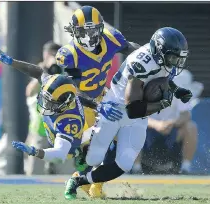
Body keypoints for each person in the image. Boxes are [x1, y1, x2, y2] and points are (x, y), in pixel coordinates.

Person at [64, 27, 193, 200]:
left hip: (136, 112)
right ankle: (83, 176)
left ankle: (80, 181)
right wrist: (162, 103)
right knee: (95, 155)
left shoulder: (160, 58)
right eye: (172, 58)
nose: (175, 63)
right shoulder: (140, 65)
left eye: (178, 58)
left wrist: (176, 90)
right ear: (159, 51)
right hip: (115, 107)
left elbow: (161, 76)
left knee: (124, 162)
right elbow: (132, 109)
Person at [0, 43, 122, 176]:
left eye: (51, 102)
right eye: (46, 98)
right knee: (36, 171)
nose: (46, 104)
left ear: (64, 104)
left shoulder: (70, 120)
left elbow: (59, 154)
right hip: (43, 129)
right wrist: (13, 62)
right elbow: (36, 71)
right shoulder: (53, 82)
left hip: (68, 138)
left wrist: (34, 151)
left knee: (65, 170)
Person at [56, 5, 140, 197]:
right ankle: (82, 179)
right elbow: (74, 90)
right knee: (91, 148)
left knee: (120, 138)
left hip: (103, 95)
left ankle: (96, 184)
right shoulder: (70, 53)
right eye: (84, 31)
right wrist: (98, 106)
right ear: (75, 32)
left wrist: (148, 55)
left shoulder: (111, 38)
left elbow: (131, 50)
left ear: (100, 28)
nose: (89, 36)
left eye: (93, 30)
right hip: (79, 104)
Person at [25, 41, 62, 175]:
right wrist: (44, 72)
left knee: (65, 170)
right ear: (45, 55)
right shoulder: (40, 71)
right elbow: (30, 91)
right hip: (40, 128)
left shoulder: (63, 70)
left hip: (61, 128)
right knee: (36, 169)